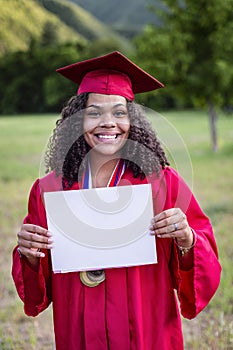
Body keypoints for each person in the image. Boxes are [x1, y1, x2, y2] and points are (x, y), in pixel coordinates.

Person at [12, 51, 221, 350]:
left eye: (119, 112)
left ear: (133, 121)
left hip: (146, 332)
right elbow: (37, 293)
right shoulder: (49, 190)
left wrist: (187, 239)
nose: (108, 122)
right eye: (94, 112)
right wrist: (29, 255)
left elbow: (204, 263)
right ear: (77, 120)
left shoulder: (163, 183)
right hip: (80, 334)